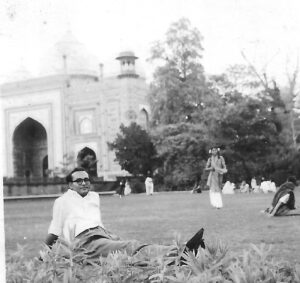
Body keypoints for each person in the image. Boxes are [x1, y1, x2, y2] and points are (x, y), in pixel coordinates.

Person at [44, 167, 205, 263]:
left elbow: (95, 220)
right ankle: (181, 251)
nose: (84, 183)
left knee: (130, 251)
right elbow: (54, 232)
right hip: (84, 242)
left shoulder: (94, 197)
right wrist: (43, 255)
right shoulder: (62, 201)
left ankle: (179, 255)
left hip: (101, 235)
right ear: (70, 185)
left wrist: (108, 235)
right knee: (131, 247)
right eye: (79, 180)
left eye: (87, 179)